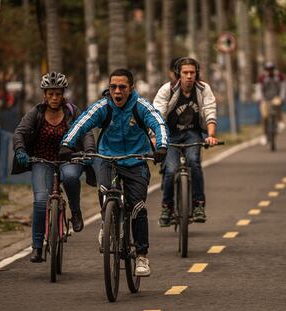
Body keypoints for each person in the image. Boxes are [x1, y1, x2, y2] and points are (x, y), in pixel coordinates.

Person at [59, 68, 169, 277]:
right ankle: (107, 222)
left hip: (137, 161)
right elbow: (82, 122)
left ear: (131, 88)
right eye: (113, 87)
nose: (117, 91)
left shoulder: (141, 107)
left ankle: (141, 256)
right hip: (107, 159)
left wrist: (162, 147)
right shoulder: (103, 107)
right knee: (105, 190)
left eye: (122, 87)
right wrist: (66, 143)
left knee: (137, 207)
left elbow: (159, 123)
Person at [12, 72, 96, 263]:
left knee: (71, 177)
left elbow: (86, 132)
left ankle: (75, 211)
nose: (54, 98)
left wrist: (89, 151)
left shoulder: (72, 111)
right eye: (51, 94)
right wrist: (20, 151)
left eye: (58, 94)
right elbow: (19, 133)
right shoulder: (36, 112)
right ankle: (36, 247)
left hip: (70, 159)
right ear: (45, 94)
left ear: (63, 93)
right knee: (41, 201)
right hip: (42, 161)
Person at [153, 57, 218, 227]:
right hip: (170, 135)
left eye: (192, 72)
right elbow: (157, 115)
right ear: (178, 75)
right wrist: (155, 137)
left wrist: (210, 135)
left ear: (196, 74)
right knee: (170, 169)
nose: (189, 76)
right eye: (185, 73)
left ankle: (198, 205)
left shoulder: (204, 89)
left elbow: (210, 112)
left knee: (194, 162)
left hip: (192, 133)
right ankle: (167, 207)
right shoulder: (167, 90)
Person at [257, 61, 286, 145]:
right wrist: (260, 99)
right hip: (265, 99)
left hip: (276, 97)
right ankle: (264, 135)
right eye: (268, 69)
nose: (270, 71)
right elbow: (259, 89)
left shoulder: (279, 76)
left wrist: (282, 97)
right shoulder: (262, 78)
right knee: (264, 116)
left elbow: (283, 88)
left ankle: (280, 120)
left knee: (277, 104)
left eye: (271, 69)